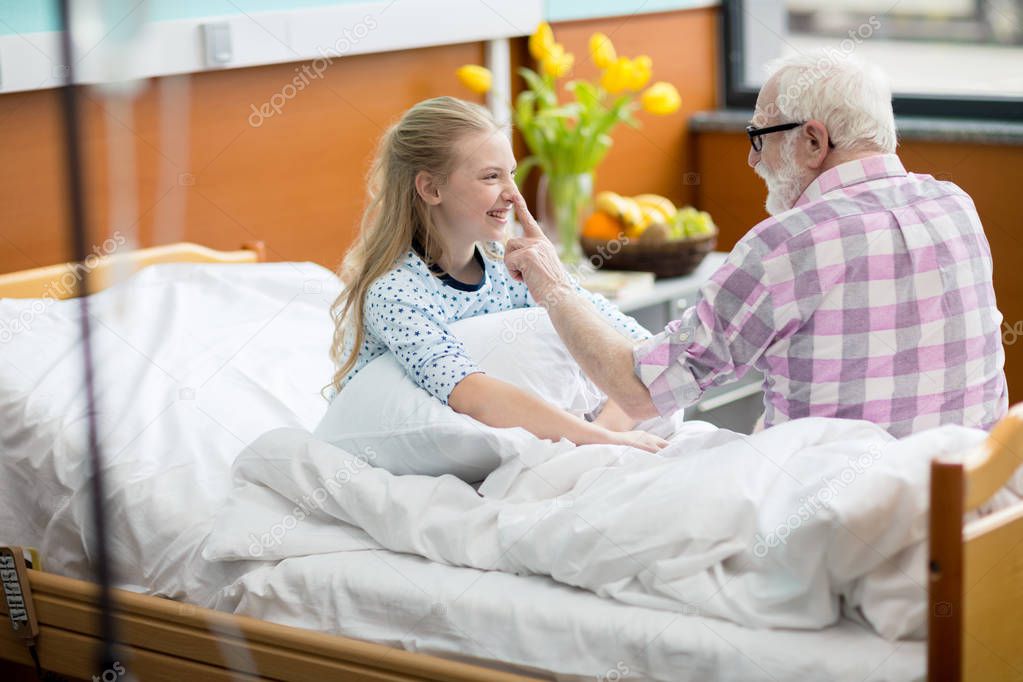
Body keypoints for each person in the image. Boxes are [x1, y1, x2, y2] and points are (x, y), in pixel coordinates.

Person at [505, 51, 1008, 438]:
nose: (752, 161)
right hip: (967, 510)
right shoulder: (955, 206)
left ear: (813, 141)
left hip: (838, 522)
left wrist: (552, 283)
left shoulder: (786, 245)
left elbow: (640, 393)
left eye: (758, 137)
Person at [328, 96, 667, 452]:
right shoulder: (395, 293)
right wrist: (604, 439)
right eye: (491, 177)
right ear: (431, 188)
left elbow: (638, 347)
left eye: (512, 174)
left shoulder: (504, 267)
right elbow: (471, 394)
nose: (513, 194)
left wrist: (609, 435)